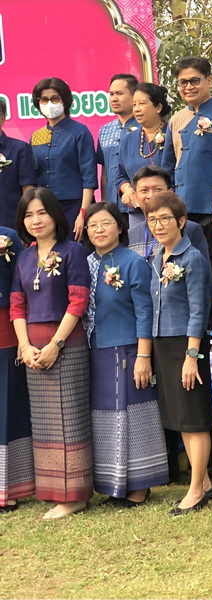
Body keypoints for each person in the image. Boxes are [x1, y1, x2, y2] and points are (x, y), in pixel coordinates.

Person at [10, 187, 92, 519]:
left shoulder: (73, 251)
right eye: (29, 215)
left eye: (41, 212)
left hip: (67, 344)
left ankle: (75, 495)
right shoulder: (24, 257)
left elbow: (79, 300)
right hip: (33, 348)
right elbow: (17, 305)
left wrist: (56, 344)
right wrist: (26, 346)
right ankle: (52, 490)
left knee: (69, 420)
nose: (35, 220)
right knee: (45, 423)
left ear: (55, 214)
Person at [83, 202, 168, 506]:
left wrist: (143, 356)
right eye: (93, 225)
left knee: (133, 415)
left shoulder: (132, 262)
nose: (99, 230)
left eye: (105, 223)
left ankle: (140, 486)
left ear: (119, 227)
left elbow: (146, 312)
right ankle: (114, 484)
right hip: (95, 349)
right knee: (105, 418)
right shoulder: (86, 262)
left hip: (127, 348)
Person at [147, 191, 212, 515]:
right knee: (181, 418)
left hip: (187, 344)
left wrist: (192, 354)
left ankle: (195, 490)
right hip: (164, 343)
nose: (158, 225)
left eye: (164, 218)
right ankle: (204, 483)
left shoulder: (192, 259)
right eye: (152, 219)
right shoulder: (156, 256)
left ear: (181, 221)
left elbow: (199, 310)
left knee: (193, 418)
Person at [162, 56, 212, 274]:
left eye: (195, 80)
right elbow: (167, 167)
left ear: (209, 80)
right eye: (183, 82)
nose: (189, 87)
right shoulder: (176, 120)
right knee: (184, 270)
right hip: (182, 210)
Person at [29, 77, 98, 238]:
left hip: (74, 206)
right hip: (45, 207)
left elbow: (89, 176)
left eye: (54, 98)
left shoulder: (80, 132)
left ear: (64, 101)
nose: (49, 104)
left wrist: (83, 213)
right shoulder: (36, 136)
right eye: (44, 100)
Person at [0, 225, 34, 513]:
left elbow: (23, 287)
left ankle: (8, 487)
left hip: (5, 334)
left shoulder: (7, 237)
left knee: (9, 409)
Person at [113, 84, 172, 228]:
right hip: (137, 211)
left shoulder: (173, 134)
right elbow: (120, 176)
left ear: (158, 107)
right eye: (134, 104)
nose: (137, 109)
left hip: (167, 209)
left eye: (142, 103)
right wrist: (127, 189)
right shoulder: (129, 139)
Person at [126, 166, 209, 265]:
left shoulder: (190, 228)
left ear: (170, 193)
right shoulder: (131, 235)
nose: (151, 195)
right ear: (135, 196)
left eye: (158, 189)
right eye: (144, 190)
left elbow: (202, 270)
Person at [96, 74, 138, 209]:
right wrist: (104, 204)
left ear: (134, 96)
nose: (114, 98)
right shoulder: (105, 130)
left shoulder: (145, 127)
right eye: (111, 94)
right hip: (112, 203)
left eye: (119, 93)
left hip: (138, 203)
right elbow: (104, 172)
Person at [0, 98, 37, 229]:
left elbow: (28, 190)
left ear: (3, 119)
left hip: (11, 226)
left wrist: (26, 228)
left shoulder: (19, 148)